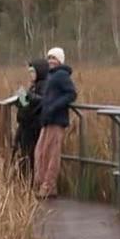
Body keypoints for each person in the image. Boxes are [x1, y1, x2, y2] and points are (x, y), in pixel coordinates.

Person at [33, 46, 75, 198]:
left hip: (56, 120)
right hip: (47, 119)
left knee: (51, 154)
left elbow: (71, 93)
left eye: (54, 58)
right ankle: (42, 184)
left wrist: (55, 106)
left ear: (60, 60)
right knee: (41, 152)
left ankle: (48, 186)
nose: (51, 61)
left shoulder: (62, 75)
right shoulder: (52, 76)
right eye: (49, 58)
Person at [12, 57, 47, 176]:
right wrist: (22, 97)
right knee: (24, 154)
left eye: (33, 72)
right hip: (26, 126)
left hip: (33, 128)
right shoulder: (34, 86)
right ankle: (24, 181)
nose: (31, 75)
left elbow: (34, 105)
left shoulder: (44, 86)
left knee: (30, 156)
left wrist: (26, 97)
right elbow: (24, 105)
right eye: (30, 72)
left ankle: (30, 181)